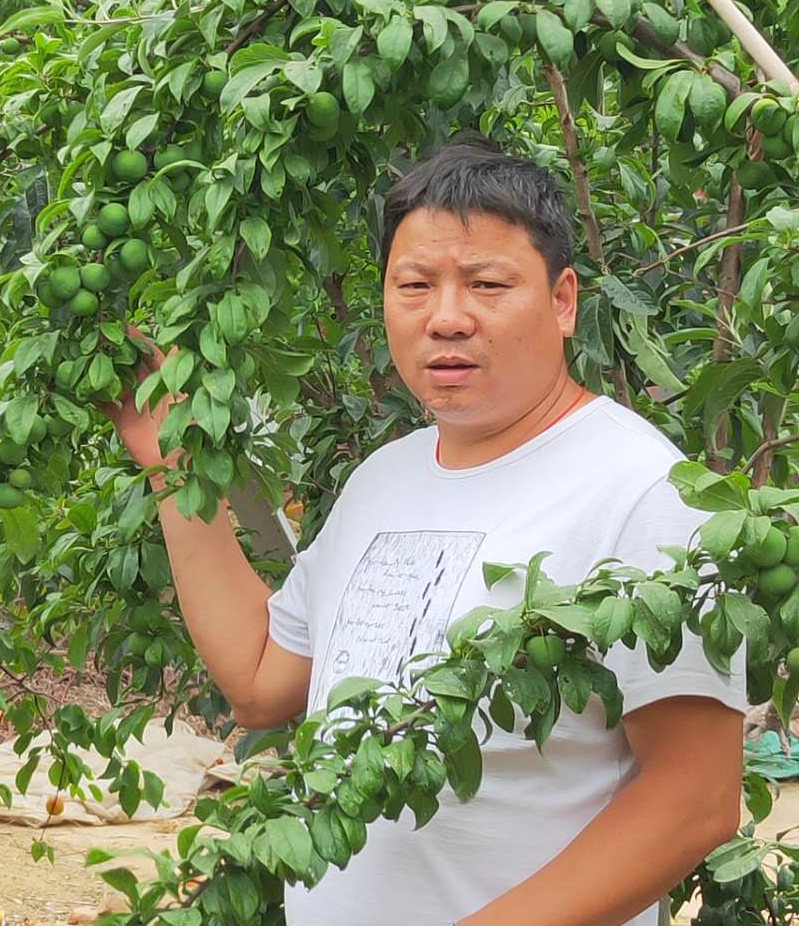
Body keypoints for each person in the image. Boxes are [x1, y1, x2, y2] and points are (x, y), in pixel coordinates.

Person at [98, 133, 747, 926]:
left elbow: (695, 798)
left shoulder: (645, 491)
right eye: (414, 284)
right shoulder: (386, 479)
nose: (446, 317)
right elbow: (263, 679)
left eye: (487, 283)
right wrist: (173, 466)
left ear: (564, 300)